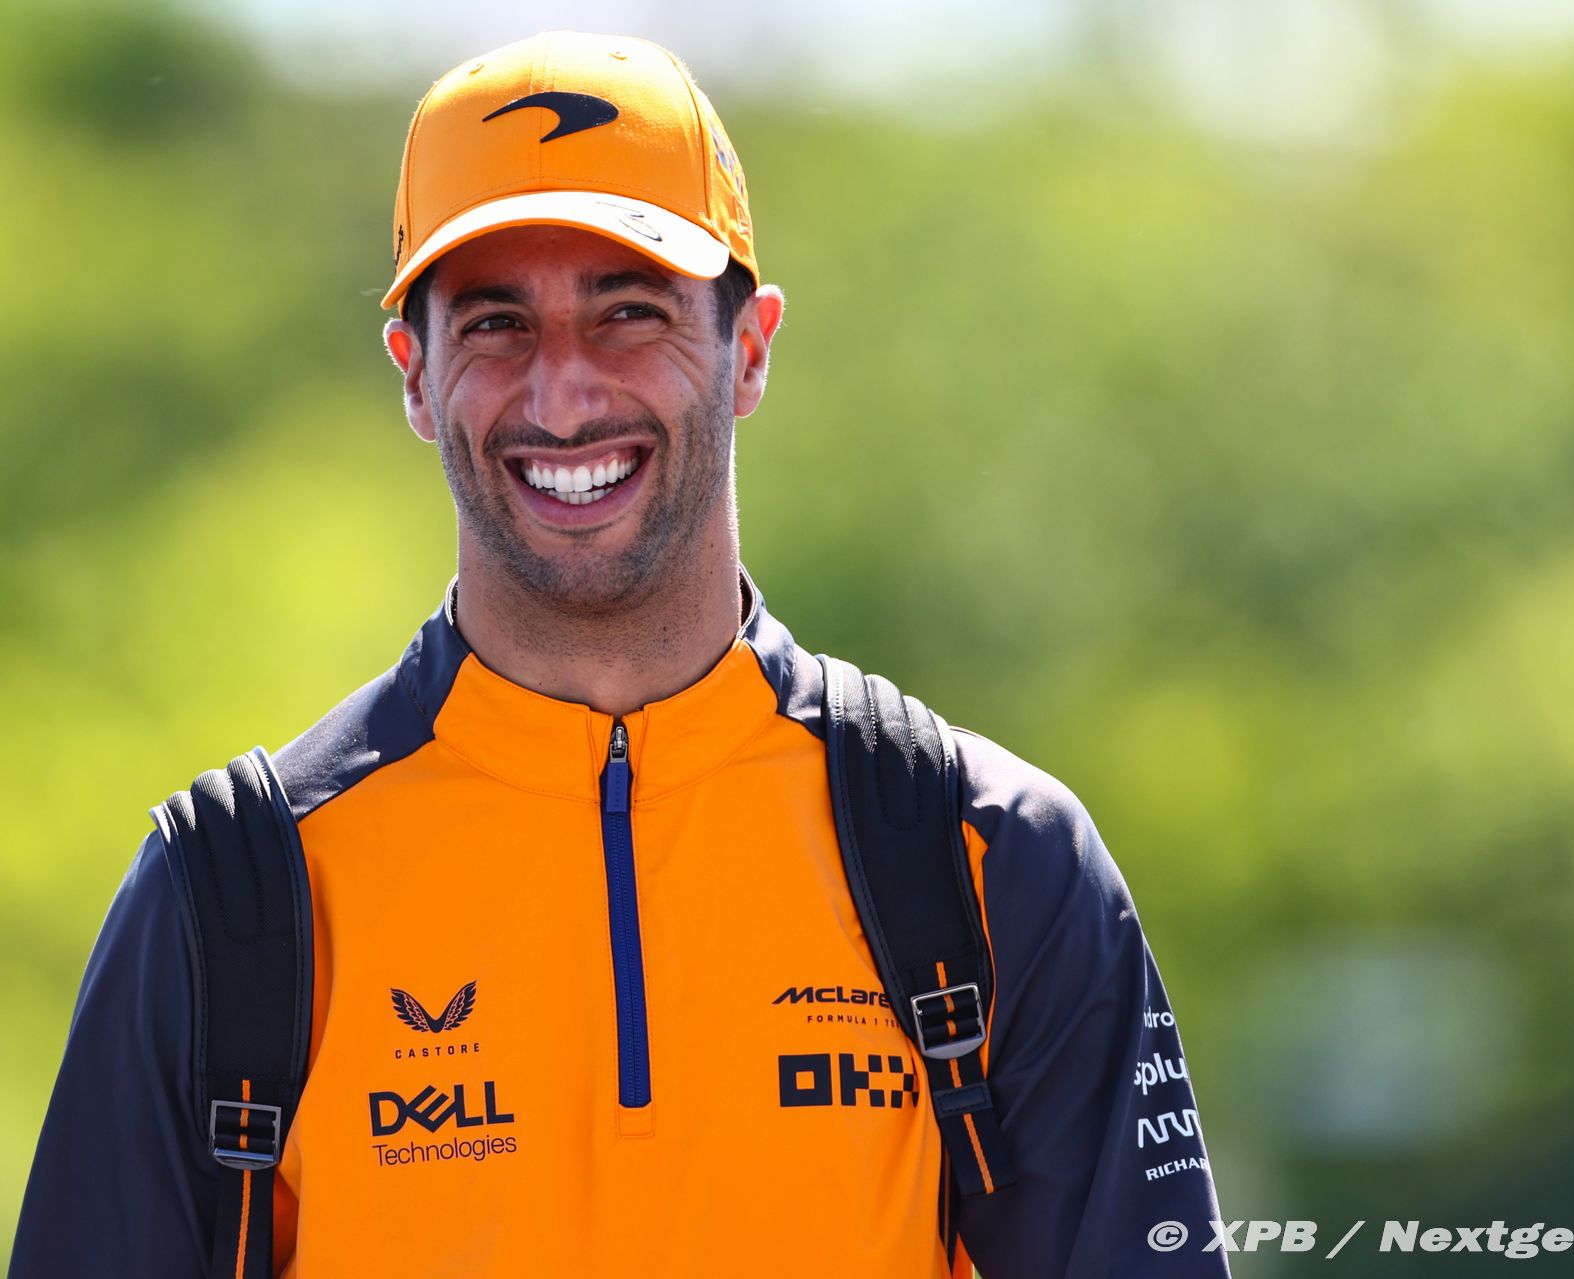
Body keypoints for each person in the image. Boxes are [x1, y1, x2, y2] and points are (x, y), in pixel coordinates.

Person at [10, 31, 1225, 1277]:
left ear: (750, 348)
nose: (563, 396)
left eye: (629, 312)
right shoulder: (231, 897)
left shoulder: (990, 861)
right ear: (415, 376)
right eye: (496, 324)